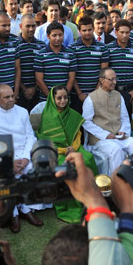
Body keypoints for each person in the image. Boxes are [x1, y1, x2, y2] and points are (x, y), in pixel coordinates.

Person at [0, 84, 45, 233]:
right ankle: (13, 212)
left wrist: (26, 158)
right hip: (1, 156)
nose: (11, 99)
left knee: (31, 169)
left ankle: (26, 209)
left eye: (12, 96)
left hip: (23, 153)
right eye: (7, 97)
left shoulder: (22, 112)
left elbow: (30, 136)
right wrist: (9, 161)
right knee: (6, 173)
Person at [36, 85, 98, 223]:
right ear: (53, 99)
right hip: (56, 151)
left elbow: (78, 135)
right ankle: (70, 206)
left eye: (65, 97)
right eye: (59, 98)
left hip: (74, 148)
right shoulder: (47, 116)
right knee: (66, 167)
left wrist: (74, 148)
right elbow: (44, 139)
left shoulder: (73, 114)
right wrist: (64, 151)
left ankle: (91, 199)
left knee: (87, 158)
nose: (63, 100)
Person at [82, 67, 133, 176]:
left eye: (115, 79)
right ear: (101, 80)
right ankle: (117, 184)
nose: (114, 82)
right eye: (111, 79)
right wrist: (105, 135)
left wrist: (124, 131)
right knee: (116, 150)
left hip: (119, 137)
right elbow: (86, 122)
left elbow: (124, 117)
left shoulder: (118, 95)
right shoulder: (91, 98)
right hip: (101, 139)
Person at [68, 15, 109, 114]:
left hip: (98, 94)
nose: (87, 33)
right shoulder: (72, 48)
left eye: (90, 30)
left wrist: (95, 93)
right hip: (76, 95)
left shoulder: (103, 47)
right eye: (84, 30)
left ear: (93, 29)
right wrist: (80, 93)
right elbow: (71, 73)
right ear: (79, 31)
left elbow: (104, 72)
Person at [107, 19, 133, 114]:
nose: (124, 35)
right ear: (116, 32)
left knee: (128, 120)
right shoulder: (108, 48)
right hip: (112, 91)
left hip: (130, 92)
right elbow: (104, 70)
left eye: (127, 32)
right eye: (122, 32)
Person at [34, 21, 77, 101]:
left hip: (65, 100)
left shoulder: (71, 54)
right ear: (48, 36)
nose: (58, 38)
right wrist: (52, 98)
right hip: (46, 100)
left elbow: (71, 78)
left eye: (60, 35)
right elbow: (39, 80)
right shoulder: (40, 55)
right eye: (54, 35)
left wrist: (63, 97)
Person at [16, 14, 46, 111]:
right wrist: (24, 89)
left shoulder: (42, 46)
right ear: (21, 26)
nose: (31, 29)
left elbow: (44, 69)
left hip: (37, 91)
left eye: (33, 26)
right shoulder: (14, 45)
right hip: (19, 92)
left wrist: (35, 88)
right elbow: (14, 69)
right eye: (27, 26)